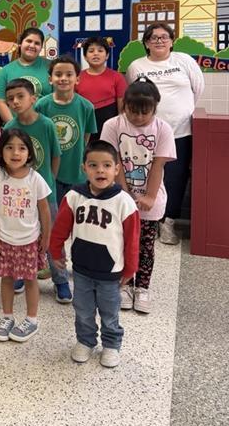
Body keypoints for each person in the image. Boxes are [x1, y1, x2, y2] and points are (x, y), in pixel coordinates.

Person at [50, 141, 140, 368]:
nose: (100, 170)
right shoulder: (74, 196)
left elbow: (132, 240)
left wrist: (130, 269)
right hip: (81, 270)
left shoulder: (125, 203)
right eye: (93, 165)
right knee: (83, 310)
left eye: (107, 165)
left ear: (116, 169)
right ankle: (85, 340)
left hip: (111, 272)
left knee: (109, 312)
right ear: (84, 168)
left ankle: (111, 344)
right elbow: (60, 228)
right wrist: (55, 251)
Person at [101, 78, 176, 314]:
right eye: (133, 112)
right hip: (118, 196)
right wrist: (124, 194)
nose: (139, 118)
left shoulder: (162, 128)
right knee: (120, 243)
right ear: (125, 106)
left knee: (145, 246)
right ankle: (124, 285)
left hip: (148, 199)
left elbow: (158, 165)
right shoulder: (113, 125)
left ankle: (142, 288)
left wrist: (150, 198)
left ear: (155, 108)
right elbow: (113, 163)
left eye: (146, 113)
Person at [125, 22, 204, 245]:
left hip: (180, 132)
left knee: (176, 177)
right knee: (145, 174)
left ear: (171, 40)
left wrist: (179, 113)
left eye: (164, 36)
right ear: (146, 43)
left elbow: (198, 89)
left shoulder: (184, 61)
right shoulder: (136, 66)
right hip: (146, 134)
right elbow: (134, 98)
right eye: (153, 37)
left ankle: (168, 222)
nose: (159, 40)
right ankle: (146, 219)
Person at [34, 55, 97, 302]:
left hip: (76, 178)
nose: (63, 78)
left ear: (77, 78)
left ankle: (65, 274)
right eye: (58, 74)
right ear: (50, 79)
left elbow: (87, 139)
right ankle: (43, 274)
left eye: (69, 74)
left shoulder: (86, 107)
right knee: (45, 228)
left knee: (70, 229)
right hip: (47, 178)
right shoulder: (42, 106)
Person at [0, 129, 52, 343]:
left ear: (29, 153)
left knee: (31, 280)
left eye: (22, 148)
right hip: (4, 240)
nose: (15, 153)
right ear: (1, 151)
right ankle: (7, 316)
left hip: (29, 240)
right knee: (7, 278)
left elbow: (45, 211)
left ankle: (31, 319)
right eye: (9, 147)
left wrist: (46, 237)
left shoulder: (35, 179)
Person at [3, 78, 63, 293]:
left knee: (51, 236)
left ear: (33, 99)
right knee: (22, 237)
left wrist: (49, 182)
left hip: (46, 194)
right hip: (20, 196)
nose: (15, 102)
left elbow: (55, 156)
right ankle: (21, 273)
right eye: (11, 99)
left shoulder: (46, 124)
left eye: (20, 96)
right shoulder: (9, 127)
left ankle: (61, 280)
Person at [0, 28, 53, 123]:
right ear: (20, 44)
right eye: (28, 41)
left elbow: (58, 99)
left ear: (41, 47)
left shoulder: (51, 67)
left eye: (37, 43)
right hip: (16, 129)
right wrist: (14, 126)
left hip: (44, 127)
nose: (32, 45)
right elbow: (0, 101)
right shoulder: (6, 70)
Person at [76, 37, 126, 139]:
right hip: (83, 128)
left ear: (107, 55)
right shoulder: (76, 78)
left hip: (109, 129)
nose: (96, 54)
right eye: (91, 51)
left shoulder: (117, 77)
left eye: (100, 50)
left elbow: (122, 111)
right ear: (85, 56)